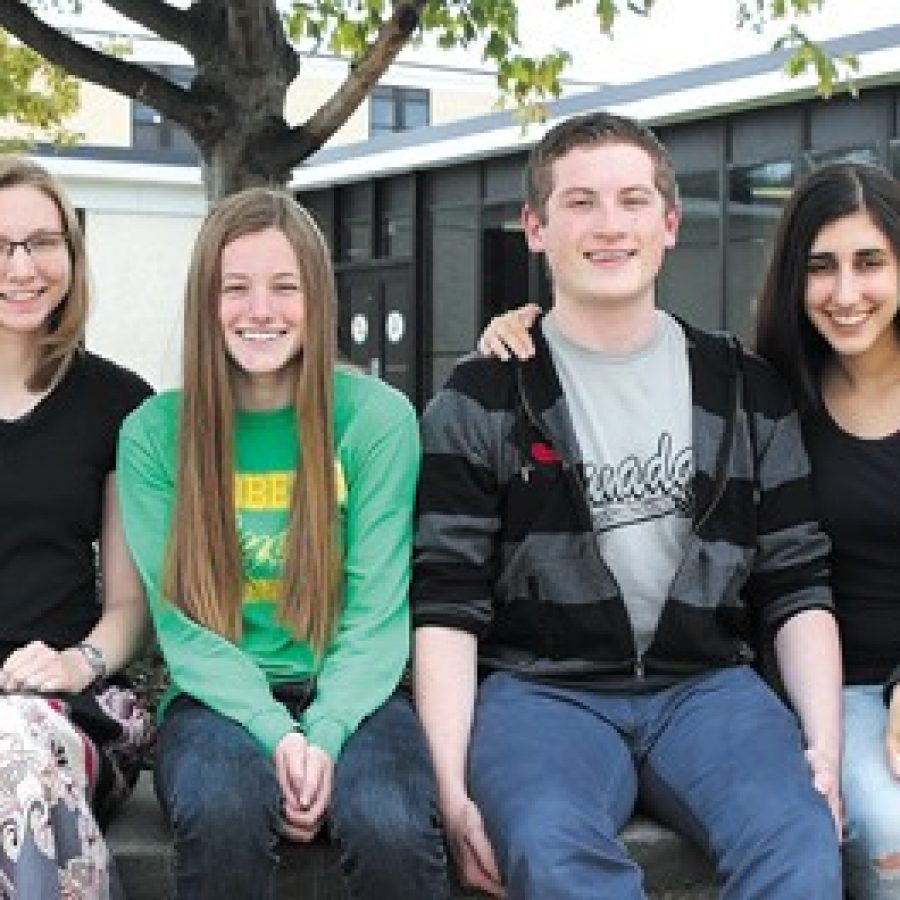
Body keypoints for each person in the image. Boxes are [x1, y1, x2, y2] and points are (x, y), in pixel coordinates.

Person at [412, 111, 843, 899]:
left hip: (710, 687)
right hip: (542, 693)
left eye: (633, 201)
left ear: (670, 223)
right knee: (548, 846)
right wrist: (451, 791)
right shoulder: (482, 399)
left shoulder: (746, 389)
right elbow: (445, 604)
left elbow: (797, 581)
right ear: (535, 228)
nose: (610, 226)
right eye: (580, 203)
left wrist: (824, 748)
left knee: (798, 840)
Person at [116, 187, 450, 900]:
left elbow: (376, 611)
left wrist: (323, 733)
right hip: (213, 701)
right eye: (235, 288)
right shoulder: (154, 434)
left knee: (389, 822)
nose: (259, 311)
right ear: (206, 302)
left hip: (358, 693)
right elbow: (184, 628)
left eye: (284, 288)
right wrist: (279, 736)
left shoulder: (377, 421)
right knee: (225, 810)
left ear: (318, 301)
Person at [0, 156, 152, 898]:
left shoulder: (117, 404)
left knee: (14, 751)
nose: (22, 265)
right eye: (0, 245)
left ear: (71, 253)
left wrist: (76, 663)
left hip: (69, 708)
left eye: (42, 242)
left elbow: (130, 605)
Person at [755, 162, 900, 900]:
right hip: (833, 686)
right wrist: (521, 329)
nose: (846, 295)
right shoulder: (767, 390)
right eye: (822, 268)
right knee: (887, 829)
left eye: (869, 262)